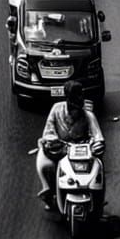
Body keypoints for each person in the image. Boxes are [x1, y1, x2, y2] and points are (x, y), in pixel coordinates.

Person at [36, 80, 104, 209]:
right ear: (67, 99)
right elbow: (48, 130)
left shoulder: (88, 113)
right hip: (61, 148)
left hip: (84, 150)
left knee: (98, 166)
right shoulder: (56, 109)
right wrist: (53, 141)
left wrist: (97, 144)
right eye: (73, 104)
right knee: (45, 165)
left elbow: (97, 135)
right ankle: (50, 191)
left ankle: (97, 196)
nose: (76, 111)